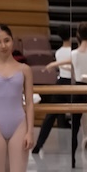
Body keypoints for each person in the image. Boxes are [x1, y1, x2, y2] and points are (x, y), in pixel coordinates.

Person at [0, 25, 48, 172]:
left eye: (6, 40)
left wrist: (30, 130)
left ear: (13, 41)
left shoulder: (24, 69)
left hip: (18, 123)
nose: (3, 45)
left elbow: (29, 104)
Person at [44, 21, 87, 168]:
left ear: (78, 35)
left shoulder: (74, 53)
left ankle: (72, 159)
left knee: (75, 127)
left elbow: (70, 64)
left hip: (78, 89)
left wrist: (54, 64)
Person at [32, 26, 73, 154]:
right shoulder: (73, 52)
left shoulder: (59, 52)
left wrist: (55, 64)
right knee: (76, 116)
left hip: (61, 83)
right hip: (71, 83)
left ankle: (39, 144)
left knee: (50, 116)